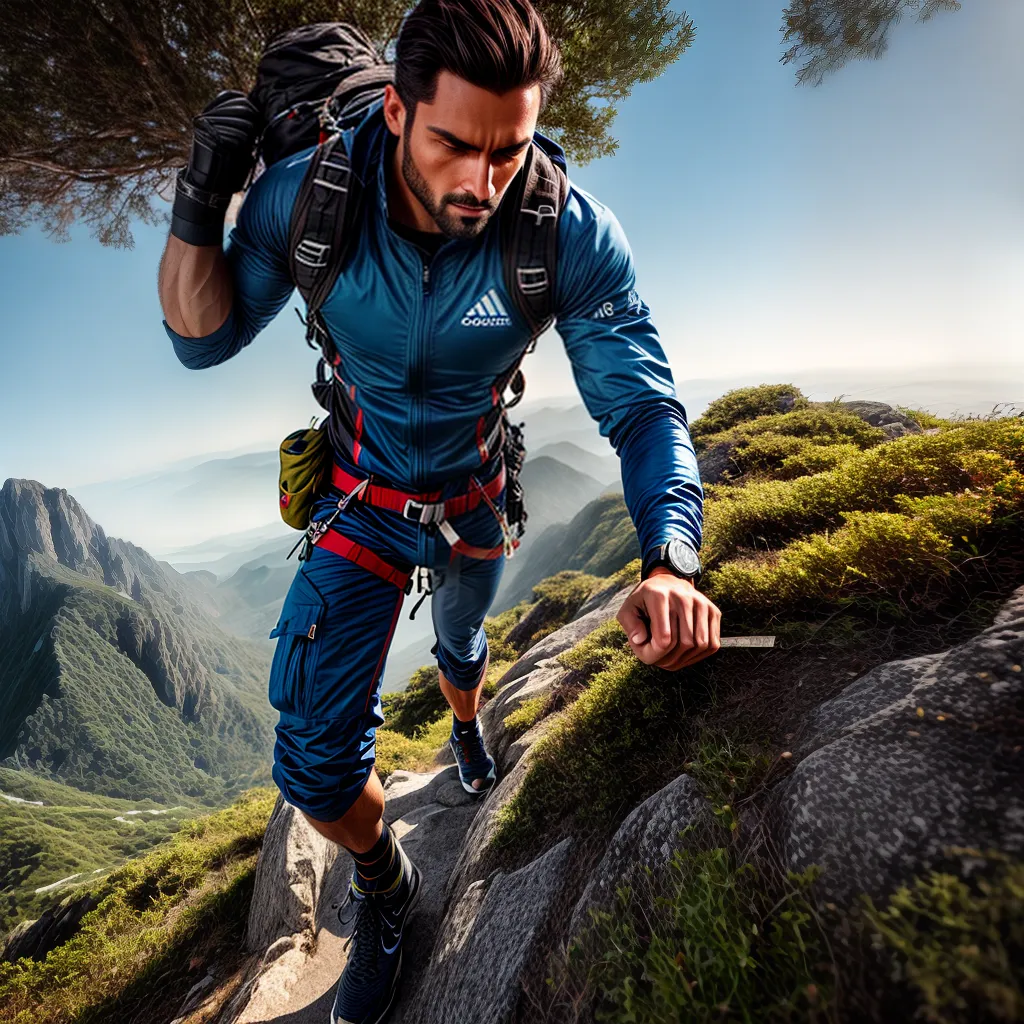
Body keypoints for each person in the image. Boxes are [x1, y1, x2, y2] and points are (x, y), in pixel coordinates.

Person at [157, 1, 721, 1020]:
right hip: (360, 499)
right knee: (316, 769)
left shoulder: (562, 227)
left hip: (473, 495)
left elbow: (640, 404)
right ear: (396, 112)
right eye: (453, 143)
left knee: (462, 650)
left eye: (506, 150)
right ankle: (386, 884)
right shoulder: (310, 198)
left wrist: (670, 558)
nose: (481, 180)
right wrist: (200, 199)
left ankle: (466, 729)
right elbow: (199, 340)